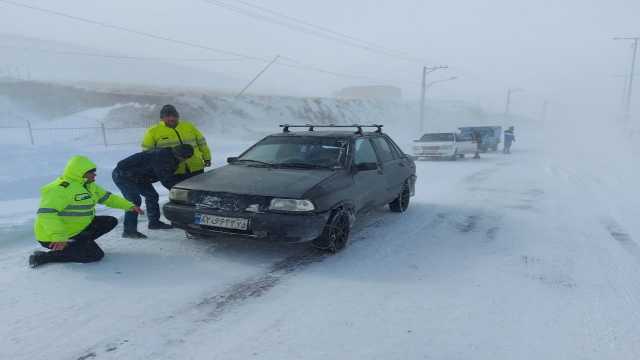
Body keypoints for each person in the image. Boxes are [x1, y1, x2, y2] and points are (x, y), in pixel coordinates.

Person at [30, 156, 143, 268]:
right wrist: (59, 236)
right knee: (95, 255)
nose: (95, 175)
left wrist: (129, 206)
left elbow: (108, 198)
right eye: (91, 172)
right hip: (52, 237)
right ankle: (43, 257)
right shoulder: (60, 189)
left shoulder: (89, 186)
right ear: (80, 173)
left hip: (75, 230)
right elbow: (46, 214)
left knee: (110, 221)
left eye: (94, 171)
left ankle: (79, 244)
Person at [112, 144, 195, 238]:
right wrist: (182, 194)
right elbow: (167, 180)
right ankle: (129, 231)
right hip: (123, 175)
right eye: (184, 158)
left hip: (140, 177)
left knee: (152, 196)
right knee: (134, 201)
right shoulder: (162, 158)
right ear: (178, 154)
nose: (184, 160)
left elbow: (169, 176)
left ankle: (154, 223)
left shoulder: (170, 156)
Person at [142, 104, 212, 182]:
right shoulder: (153, 131)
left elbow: (202, 144)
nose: (172, 118)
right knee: (179, 193)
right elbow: (147, 153)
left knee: (199, 190)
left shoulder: (189, 126)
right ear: (162, 118)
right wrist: (154, 168)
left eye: (174, 115)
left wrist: (207, 158)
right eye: (168, 116)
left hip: (196, 167)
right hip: (173, 170)